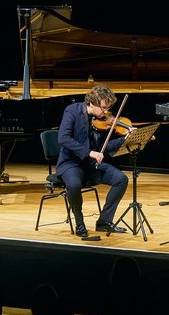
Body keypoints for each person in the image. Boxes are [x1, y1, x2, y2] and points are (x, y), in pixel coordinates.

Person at [55, 84, 131, 237]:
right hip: (71, 163)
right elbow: (63, 138)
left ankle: (104, 221)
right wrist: (89, 152)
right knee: (74, 184)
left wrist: (125, 139)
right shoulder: (72, 111)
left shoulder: (100, 121)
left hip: (91, 165)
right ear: (91, 103)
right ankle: (80, 223)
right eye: (103, 108)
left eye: (108, 108)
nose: (106, 112)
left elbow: (105, 147)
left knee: (121, 179)